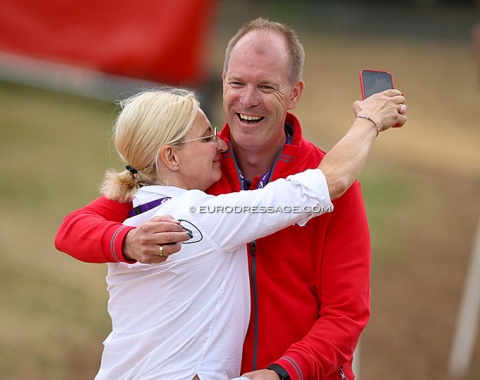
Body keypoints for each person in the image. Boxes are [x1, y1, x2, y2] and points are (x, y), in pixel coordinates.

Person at [55, 18, 408, 380]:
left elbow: (345, 315)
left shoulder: (193, 167)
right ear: (223, 81)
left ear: (294, 93)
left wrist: (284, 373)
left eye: (266, 86)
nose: (248, 99)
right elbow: (72, 229)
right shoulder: (191, 177)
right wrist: (126, 240)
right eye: (237, 82)